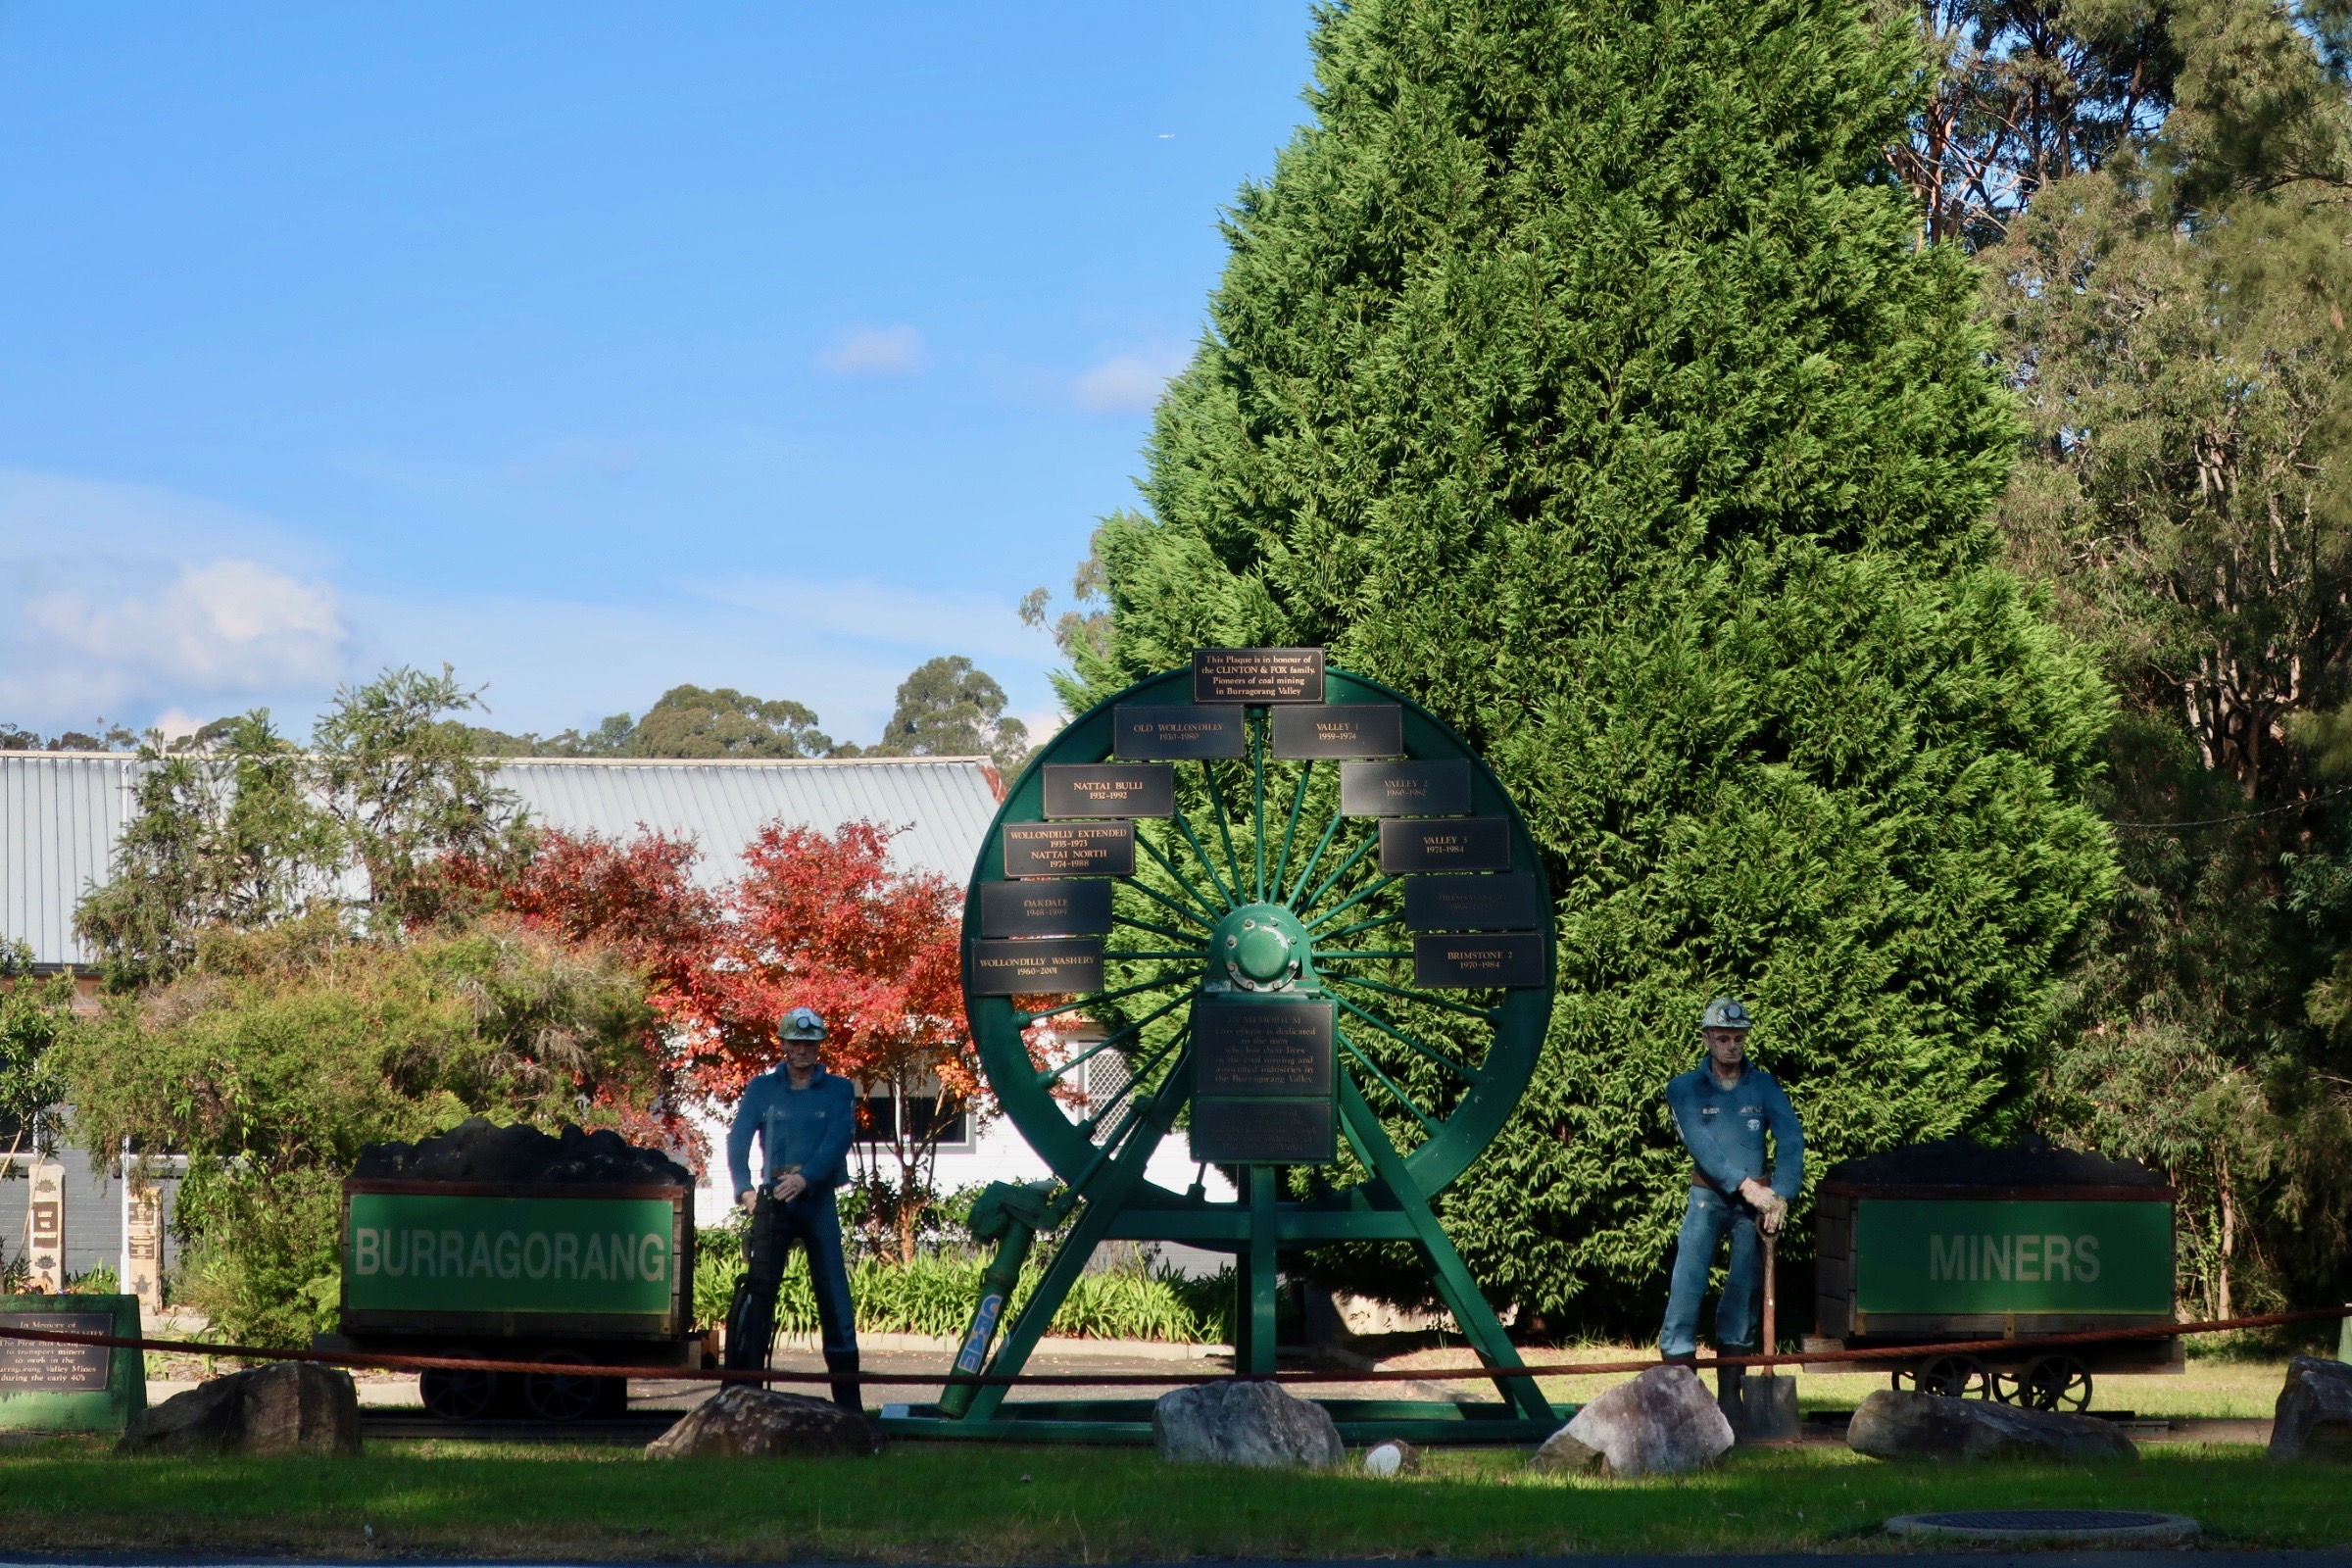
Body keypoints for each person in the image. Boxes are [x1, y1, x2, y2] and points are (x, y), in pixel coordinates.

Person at [1659, 997, 1804, 1392]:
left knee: (1744, 1292)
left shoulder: (1765, 1086)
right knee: (1687, 1287)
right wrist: (1747, 1187)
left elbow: (1791, 1139)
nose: (1731, 1045)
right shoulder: (1684, 1089)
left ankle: (1732, 1398)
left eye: (1738, 1037)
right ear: (1707, 1038)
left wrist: (1782, 1194)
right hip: (1707, 1199)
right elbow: (1700, 1144)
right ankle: (1679, 1389)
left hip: (1752, 1209)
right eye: (1722, 1037)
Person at [724, 1005, 862, 1413]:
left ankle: (851, 1409)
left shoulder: (839, 1089)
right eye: (795, 1042)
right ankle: (740, 1397)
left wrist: (806, 1179)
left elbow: (838, 1140)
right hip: (773, 1202)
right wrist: (744, 1189)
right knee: (759, 1296)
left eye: (810, 1043)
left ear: (819, 1047)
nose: (802, 1050)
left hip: (817, 1199)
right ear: (782, 1044)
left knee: (834, 1297)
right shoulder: (761, 1089)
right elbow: (738, 1140)